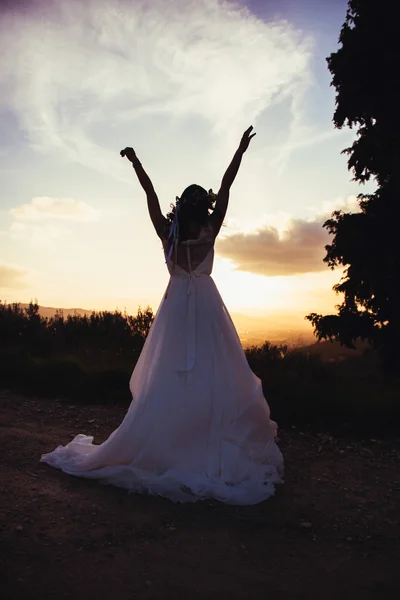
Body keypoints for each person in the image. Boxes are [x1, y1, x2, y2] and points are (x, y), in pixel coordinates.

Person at [41, 127, 284, 505]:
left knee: (172, 378)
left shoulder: (167, 232)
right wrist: (240, 149)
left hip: (176, 310)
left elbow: (150, 196)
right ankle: (201, 439)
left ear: (181, 206)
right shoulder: (210, 228)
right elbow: (228, 184)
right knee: (213, 375)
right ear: (203, 207)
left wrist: (137, 163)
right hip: (205, 307)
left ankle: (175, 441)